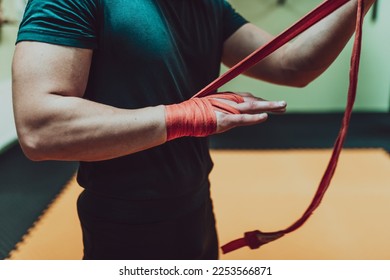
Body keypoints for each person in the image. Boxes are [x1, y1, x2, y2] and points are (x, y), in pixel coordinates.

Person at [12, 0, 375, 260]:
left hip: (196, 204)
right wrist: (184, 116)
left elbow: (293, 66)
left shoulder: (207, 6)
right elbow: (41, 129)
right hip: (125, 219)